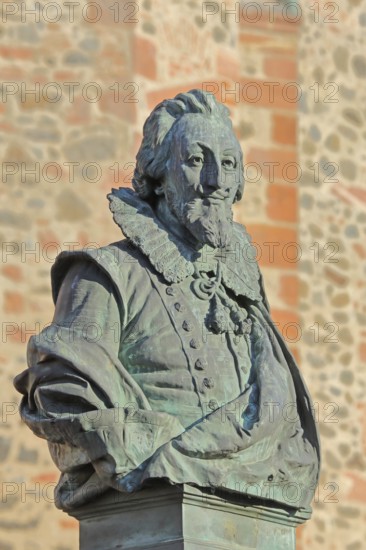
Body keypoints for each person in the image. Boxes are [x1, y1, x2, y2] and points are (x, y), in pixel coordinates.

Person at [14, 89, 320, 511]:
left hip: (257, 499)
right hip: (149, 509)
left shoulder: (245, 295)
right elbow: (61, 388)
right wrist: (136, 440)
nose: (215, 181)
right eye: (196, 160)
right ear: (158, 174)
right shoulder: (106, 275)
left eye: (228, 164)